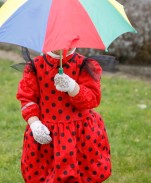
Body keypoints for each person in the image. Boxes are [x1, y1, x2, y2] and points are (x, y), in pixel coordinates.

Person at [16, 48, 111, 183]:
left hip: (80, 134)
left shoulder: (85, 65)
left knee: (83, 175)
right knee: (45, 175)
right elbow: (27, 98)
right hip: (48, 134)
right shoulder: (35, 67)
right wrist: (35, 124)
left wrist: (73, 87)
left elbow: (92, 99)